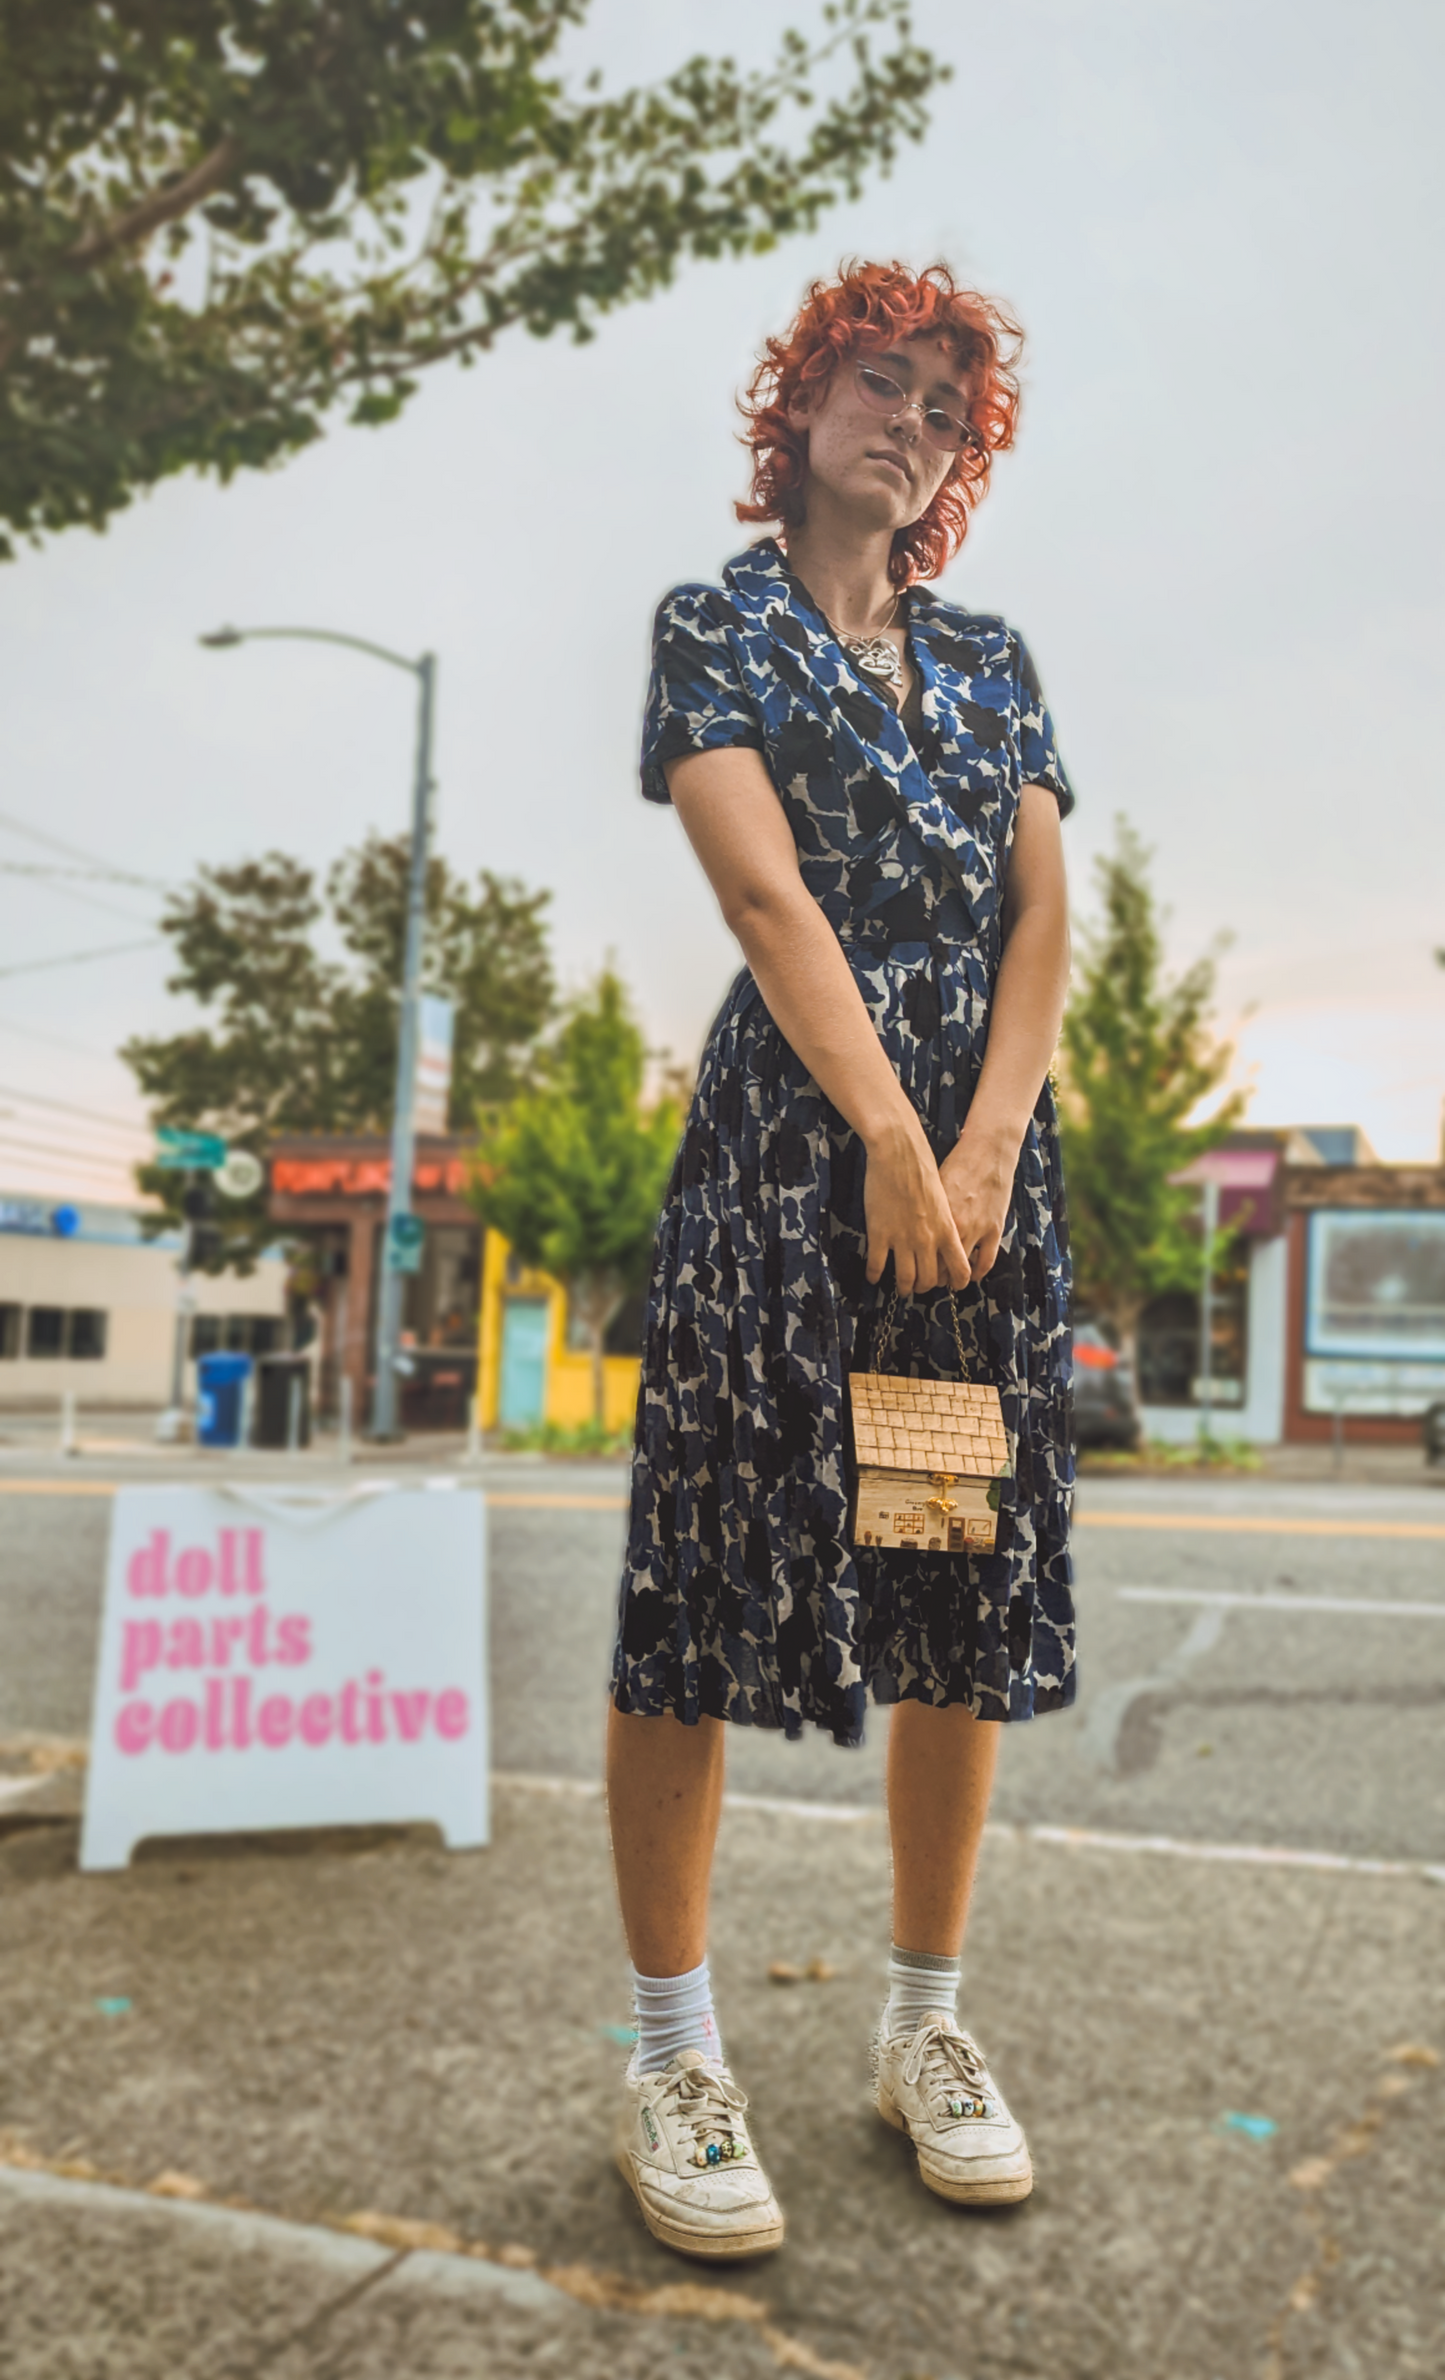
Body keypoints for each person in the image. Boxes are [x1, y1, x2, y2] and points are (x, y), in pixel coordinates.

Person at [607, 262, 1075, 2261]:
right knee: (695, 1587)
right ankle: (669, 2049)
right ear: (797, 404)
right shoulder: (712, 620)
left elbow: (1042, 925)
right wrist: (884, 1127)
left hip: (964, 1204)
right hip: (785, 1171)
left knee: (948, 1584)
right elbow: (753, 879)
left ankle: (922, 2024)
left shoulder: (993, 659)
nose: (906, 419)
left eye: (942, 407)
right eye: (871, 381)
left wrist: (971, 1150)